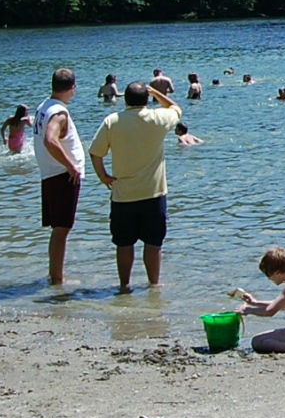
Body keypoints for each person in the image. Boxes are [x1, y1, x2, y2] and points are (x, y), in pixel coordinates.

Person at [88, 80, 180, 293]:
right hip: (154, 193)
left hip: (123, 196)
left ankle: (124, 285)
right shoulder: (158, 118)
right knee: (153, 244)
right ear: (147, 99)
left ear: (125, 99)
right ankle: (154, 285)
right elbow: (175, 108)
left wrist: (103, 177)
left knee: (124, 244)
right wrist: (156, 92)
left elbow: (95, 152)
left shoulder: (112, 121)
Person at [34, 68, 86, 287]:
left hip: (50, 174)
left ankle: (54, 275)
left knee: (58, 229)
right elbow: (50, 140)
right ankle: (57, 278)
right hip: (61, 176)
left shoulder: (44, 106)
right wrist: (71, 167)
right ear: (72, 88)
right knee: (62, 229)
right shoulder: (59, 112)